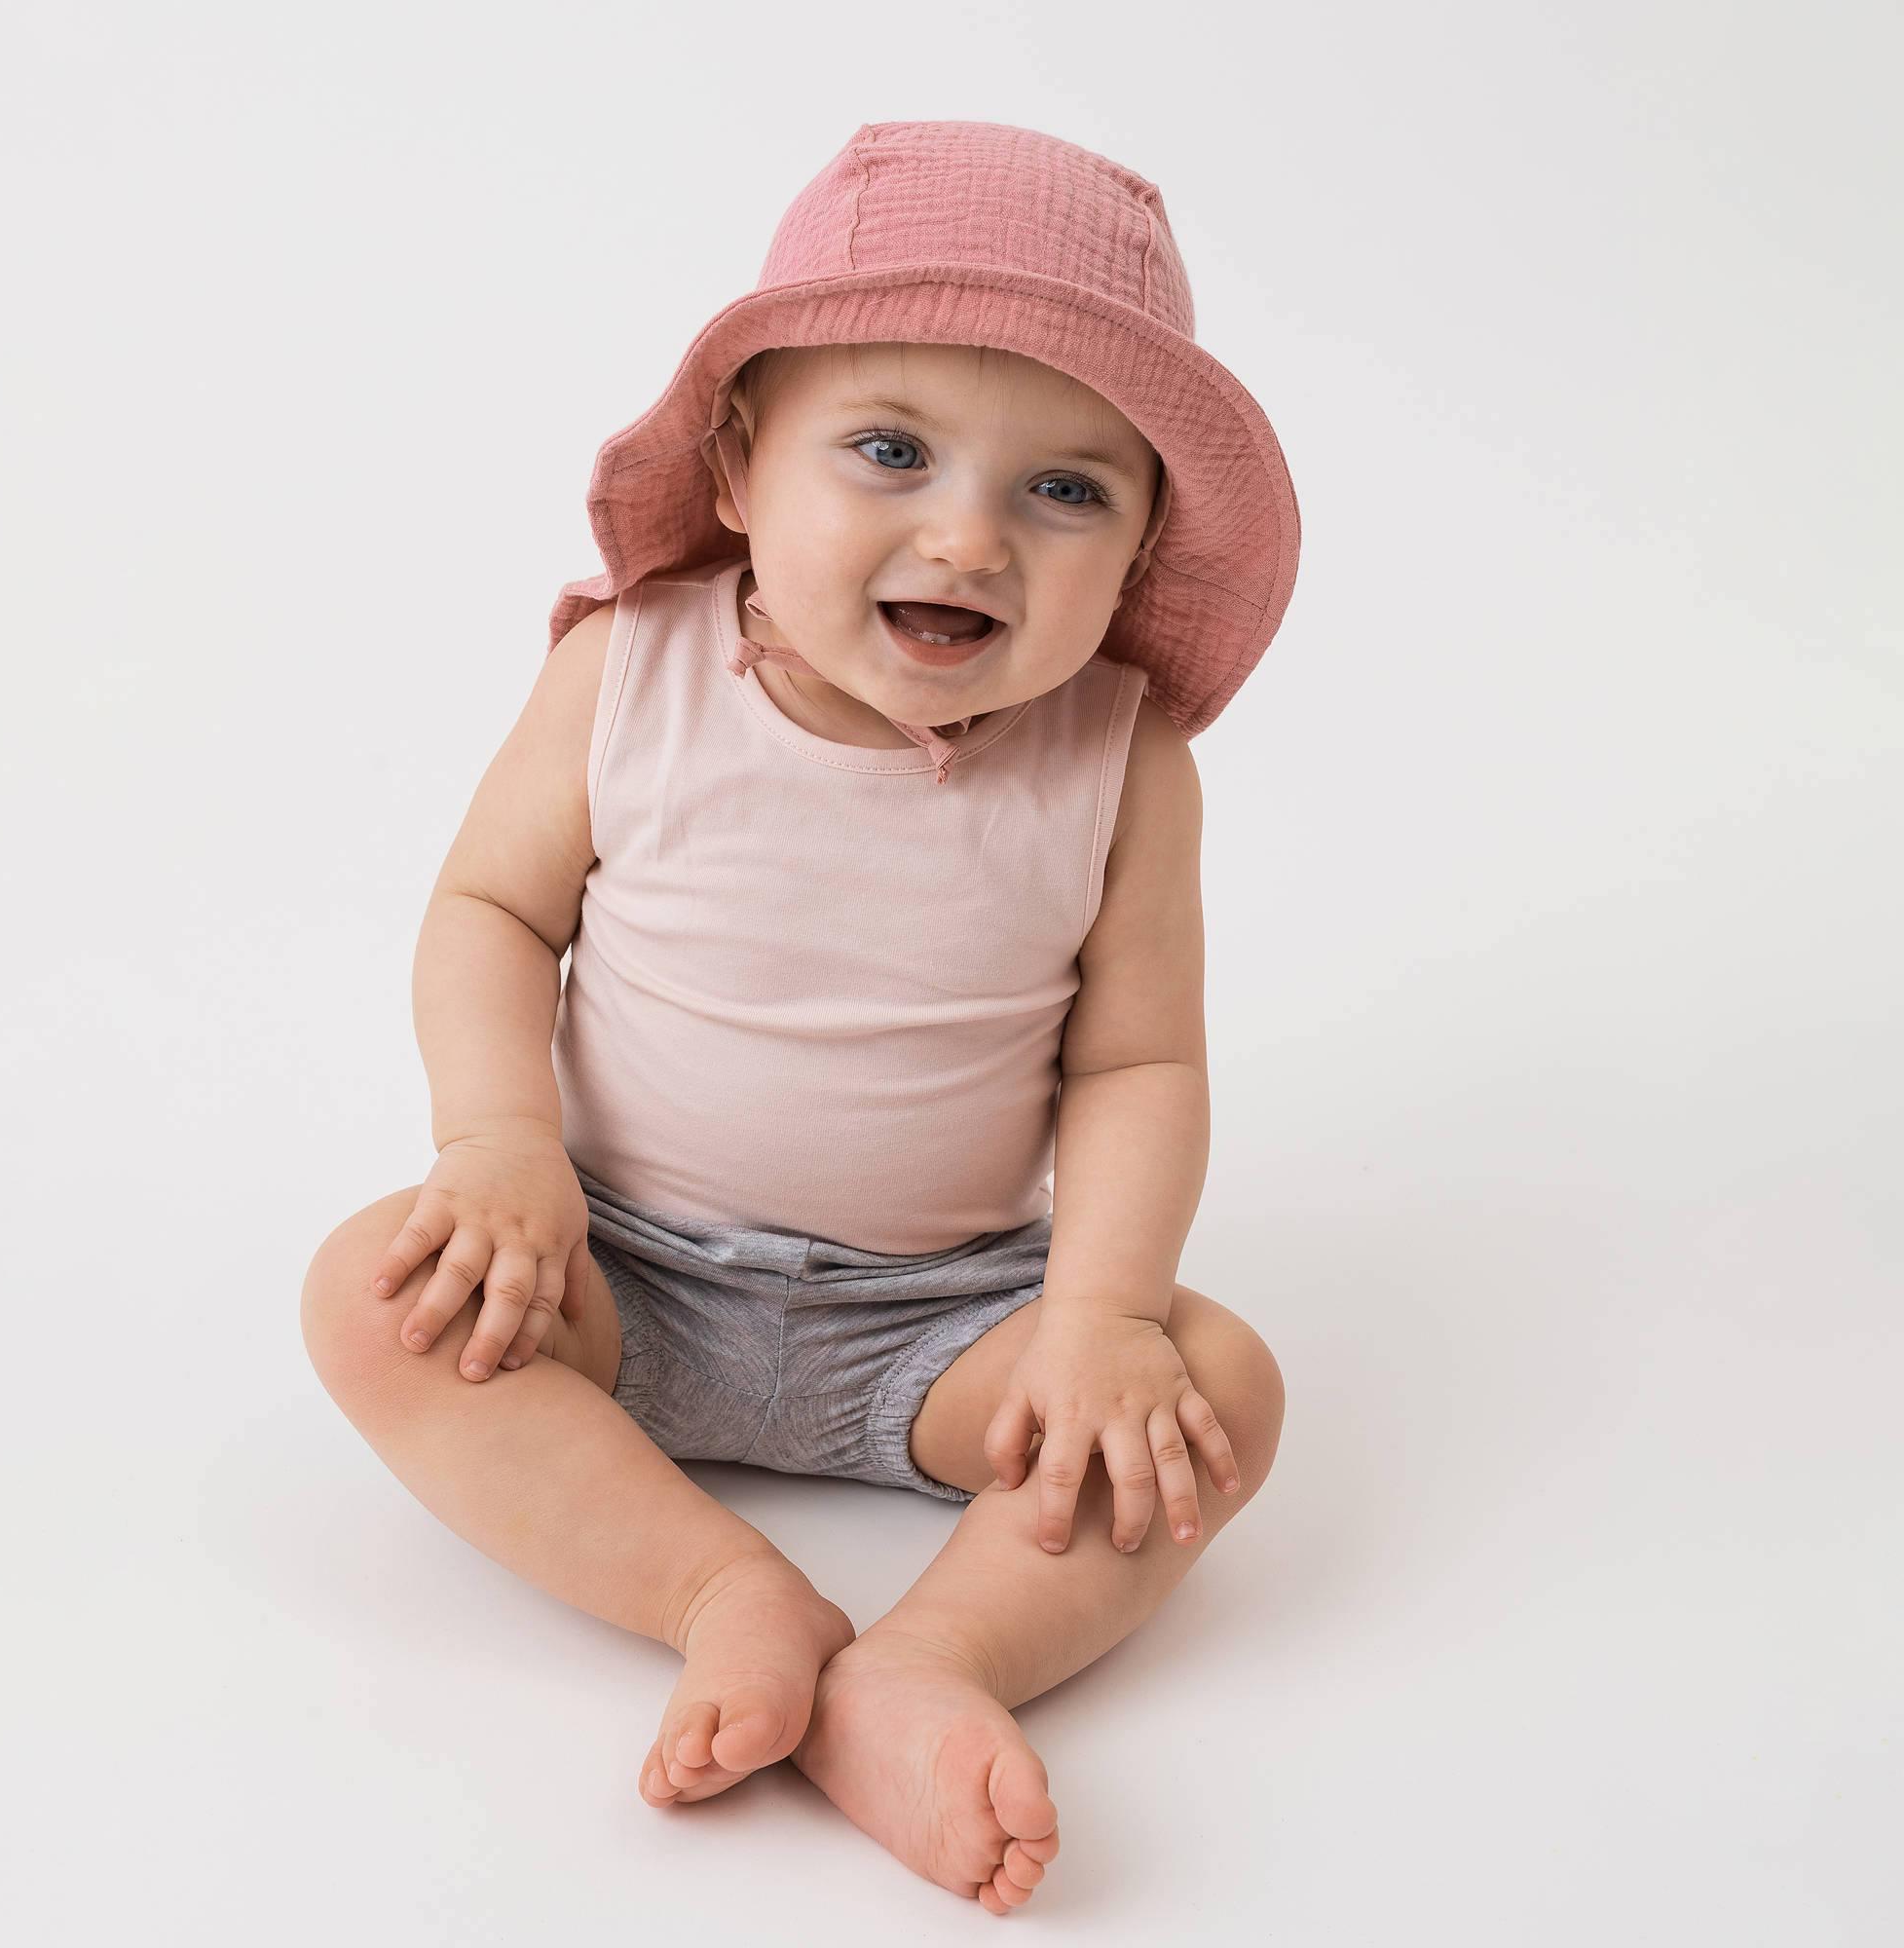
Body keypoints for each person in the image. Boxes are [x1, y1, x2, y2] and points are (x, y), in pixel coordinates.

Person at [300, 119, 1301, 1917]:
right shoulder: (632, 669)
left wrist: (1098, 1321)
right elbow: (491, 913)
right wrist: (501, 1148)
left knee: (1211, 1392)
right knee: (375, 1297)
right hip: (611, 1271)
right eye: (892, 449)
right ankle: (717, 1592)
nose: (970, 535)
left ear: (1144, 542)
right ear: (746, 464)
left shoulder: (1119, 761)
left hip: (943, 1329)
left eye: (1068, 490)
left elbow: (1140, 1059)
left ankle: (933, 1665)